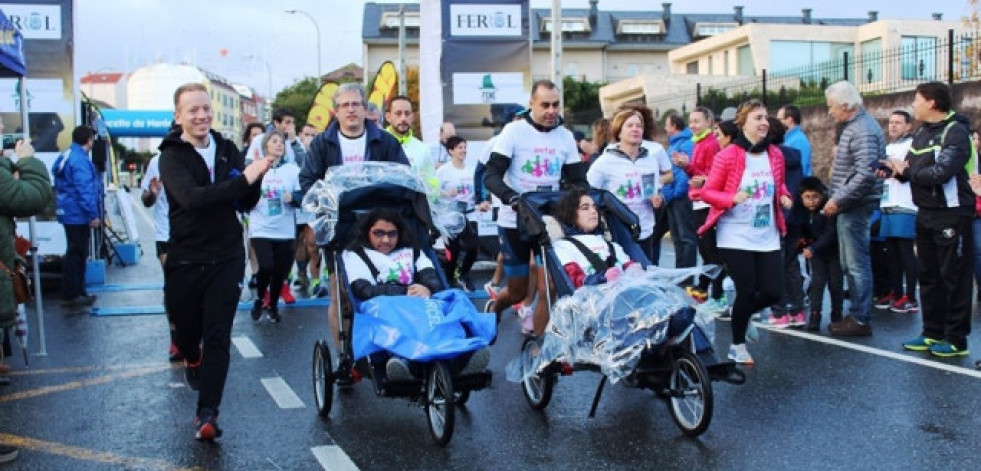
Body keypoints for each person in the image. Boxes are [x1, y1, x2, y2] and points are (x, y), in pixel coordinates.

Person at [159, 82, 271, 441]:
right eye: (192, 110)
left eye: (206, 108)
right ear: (179, 117)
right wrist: (244, 182)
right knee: (188, 335)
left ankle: (207, 413)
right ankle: (192, 358)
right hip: (186, 259)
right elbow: (192, 199)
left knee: (218, 335)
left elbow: (245, 201)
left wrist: (255, 178)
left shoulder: (226, 148)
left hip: (226, 256)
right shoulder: (171, 155)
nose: (202, 115)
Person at [299, 82, 408, 380]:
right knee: (342, 294)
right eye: (344, 105)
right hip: (340, 226)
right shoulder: (322, 144)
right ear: (335, 111)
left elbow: (404, 177)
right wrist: (326, 205)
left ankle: (387, 347)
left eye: (355, 105)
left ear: (365, 109)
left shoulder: (385, 142)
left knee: (387, 285)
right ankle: (345, 355)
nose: (350, 110)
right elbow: (308, 182)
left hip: (381, 224)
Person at [484, 79, 588, 335]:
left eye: (556, 105)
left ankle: (540, 352)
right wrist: (513, 198)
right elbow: (491, 176)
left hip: (548, 222)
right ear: (531, 104)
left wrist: (584, 202)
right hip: (514, 221)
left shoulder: (564, 136)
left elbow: (578, 180)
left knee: (549, 287)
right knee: (518, 290)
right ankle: (494, 309)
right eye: (545, 105)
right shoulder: (513, 132)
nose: (552, 110)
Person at [341, 207, 489, 380]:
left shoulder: (413, 251)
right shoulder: (355, 254)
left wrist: (429, 288)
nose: (386, 240)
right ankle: (403, 361)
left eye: (392, 234)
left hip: (419, 300)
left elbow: (431, 277)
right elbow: (363, 290)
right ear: (368, 233)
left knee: (454, 299)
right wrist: (404, 291)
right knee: (394, 315)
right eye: (379, 233)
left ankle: (463, 353)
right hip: (383, 303)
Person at [698, 99, 793, 365]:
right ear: (743, 124)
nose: (764, 122)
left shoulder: (775, 154)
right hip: (735, 234)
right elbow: (707, 192)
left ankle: (744, 313)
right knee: (748, 289)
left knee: (774, 292)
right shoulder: (727, 155)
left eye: (765, 117)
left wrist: (785, 196)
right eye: (757, 118)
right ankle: (737, 346)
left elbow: (779, 186)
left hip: (767, 233)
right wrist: (731, 198)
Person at [886, 82, 975, 357]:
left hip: (952, 214)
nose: (913, 105)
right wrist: (894, 171)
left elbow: (941, 172)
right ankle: (932, 332)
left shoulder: (956, 132)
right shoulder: (923, 132)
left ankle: (956, 340)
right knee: (929, 276)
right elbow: (912, 168)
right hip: (925, 213)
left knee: (955, 277)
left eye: (916, 100)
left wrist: (909, 173)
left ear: (932, 103)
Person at [823, 81, 885, 337]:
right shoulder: (856, 126)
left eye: (832, 107)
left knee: (856, 262)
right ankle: (857, 314)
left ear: (846, 106)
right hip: (851, 203)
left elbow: (865, 173)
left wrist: (839, 199)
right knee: (851, 262)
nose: (829, 112)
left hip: (855, 204)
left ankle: (860, 317)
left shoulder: (862, 130)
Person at [586, 109, 660, 261]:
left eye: (639, 126)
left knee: (647, 277)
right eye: (630, 125)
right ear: (618, 132)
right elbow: (589, 192)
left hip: (646, 229)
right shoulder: (605, 161)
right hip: (619, 230)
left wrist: (658, 199)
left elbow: (653, 191)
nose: (635, 129)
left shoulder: (650, 160)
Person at [248, 131, 301, 323]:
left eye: (282, 142)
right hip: (261, 226)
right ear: (265, 146)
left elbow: (303, 196)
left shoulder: (292, 170)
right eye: (274, 141)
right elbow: (244, 193)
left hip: (285, 229)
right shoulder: (257, 167)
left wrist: (293, 198)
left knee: (280, 271)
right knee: (266, 265)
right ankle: (261, 298)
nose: (279, 145)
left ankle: (273, 306)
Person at [679, 107, 725, 306]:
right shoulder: (698, 143)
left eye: (697, 121)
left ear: (709, 122)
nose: (692, 125)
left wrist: (693, 171)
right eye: (691, 121)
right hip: (699, 200)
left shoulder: (710, 144)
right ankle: (706, 290)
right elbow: (699, 173)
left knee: (710, 250)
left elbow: (714, 174)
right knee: (707, 250)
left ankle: (715, 293)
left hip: (707, 202)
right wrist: (687, 166)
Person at [141, 143, 183, 362]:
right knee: (174, 286)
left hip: (197, 235)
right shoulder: (158, 162)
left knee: (197, 288)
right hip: (166, 234)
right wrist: (153, 194)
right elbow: (146, 200)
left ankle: (196, 334)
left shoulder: (204, 157)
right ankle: (175, 339)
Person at [51, 126, 100, 311]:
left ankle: (77, 292)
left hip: (68, 211)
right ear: (89, 139)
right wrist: (92, 215)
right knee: (77, 254)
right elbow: (84, 190)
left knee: (74, 252)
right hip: (78, 214)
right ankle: (72, 294)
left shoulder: (67, 154)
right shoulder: (80, 160)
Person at [765, 117, 807, 327]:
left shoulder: (771, 157)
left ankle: (779, 310)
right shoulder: (793, 155)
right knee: (791, 264)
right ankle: (797, 310)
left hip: (778, 215)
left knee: (775, 265)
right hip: (795, 215)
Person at [876, 110, 919, 314]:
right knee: (890, 253)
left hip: (905, 203)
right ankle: (895, 291)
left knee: (905, 252)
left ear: (908, 126)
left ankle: (910, 297)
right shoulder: (887, 146)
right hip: (887, 202)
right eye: (891, 122)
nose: (893, 126)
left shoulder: (912, 146)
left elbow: (908, 174)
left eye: (898, 123)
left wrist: (893, 166)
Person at [435, 136, 486, 291]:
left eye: (464, 147)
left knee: (472, 248)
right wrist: (445, 193)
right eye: (459, 147)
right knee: (454, 250)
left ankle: (464, 275)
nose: (463, 150)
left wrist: (482, 203)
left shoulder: (471, 169)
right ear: (450, 151)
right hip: (450, 215)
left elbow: (479, 191)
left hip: (469, 214)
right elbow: (433, 193)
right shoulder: (443, 171)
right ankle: (450, 278)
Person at [796, 177, 843, 331]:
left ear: (822, 196)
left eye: (816, 197)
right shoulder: (802, 211)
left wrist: (813, 248)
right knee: (817, 284)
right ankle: (815, 316)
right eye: (807, 197)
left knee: (835, 284)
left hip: (832, 251)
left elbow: (831, 233)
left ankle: (837, 315)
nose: (812, 201)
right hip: (816, 254)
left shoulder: (828, 209)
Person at [385, 95, 437, 195]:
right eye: (398, 114)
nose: (403, 118)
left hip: (414, 208)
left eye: (407, 114)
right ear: (388, 117)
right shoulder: (377, 143)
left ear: (412, 117)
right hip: (384, 208)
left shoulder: (422, 149)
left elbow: (433, 183)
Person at [777, 105, 813, 176]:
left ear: (790, 120)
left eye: (779, 120)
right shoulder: (788, 138)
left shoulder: (799, 140)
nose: (777, 123)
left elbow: (801, 169)